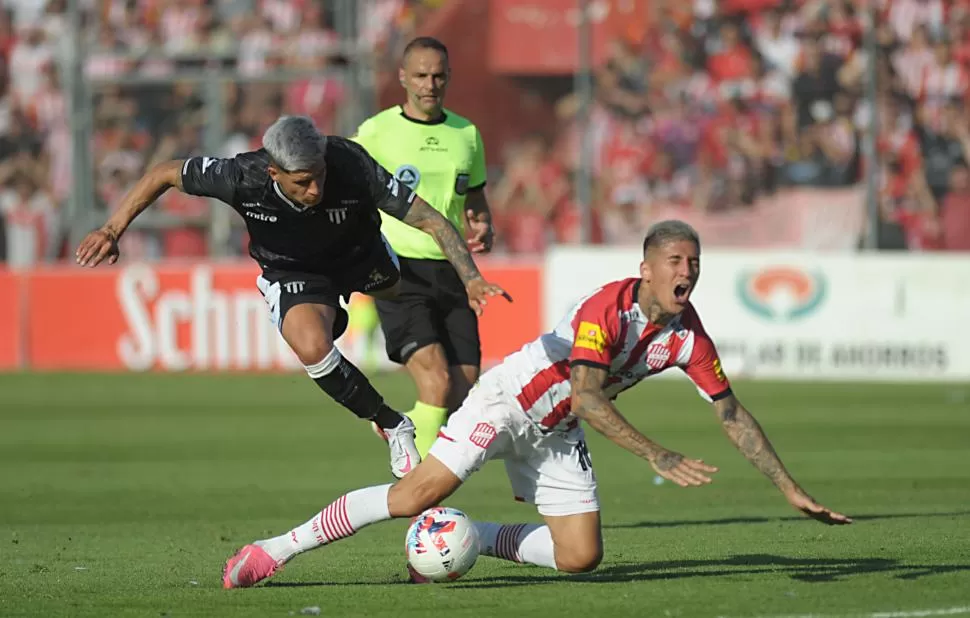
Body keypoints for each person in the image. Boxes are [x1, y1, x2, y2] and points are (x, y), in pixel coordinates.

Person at [222, 220, 851, 589]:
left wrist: (787, 488)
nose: (686, 270)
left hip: (558, 430)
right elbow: (587, 394)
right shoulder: (611, 307)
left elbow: (732, 414)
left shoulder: (690, 337)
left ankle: (473, 537)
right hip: (507, 400)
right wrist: (655, 452)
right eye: (674, 261)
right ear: (647, 268)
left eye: (694, 262)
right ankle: (274, 550)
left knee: (581, 558)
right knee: (414, 496)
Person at [75, 115, 510, 480]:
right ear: (273, 173)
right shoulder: (241, 176)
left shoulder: (350, 163)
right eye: (303, 182)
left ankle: (381, 310)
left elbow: (430, 219)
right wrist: (112, 229)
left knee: (400, 291)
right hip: (295, 271)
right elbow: (164, 172)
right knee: (312, 347)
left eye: (319, 176)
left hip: (362, 258)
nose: (316, 190)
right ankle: (392, 423)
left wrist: (470, 277)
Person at [352, 36, 495, 457]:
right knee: (436, 381)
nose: (430, 84)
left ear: (448, 77)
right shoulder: (376, 132)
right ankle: (421, 497)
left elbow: (475, 194)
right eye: (420, 75)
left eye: (438, 75)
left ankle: (404, 426)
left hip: (453, 268)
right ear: (402, 77)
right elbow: (345, 185)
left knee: (463, 392)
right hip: (399, 271)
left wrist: (482, 221)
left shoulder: (466, 133)